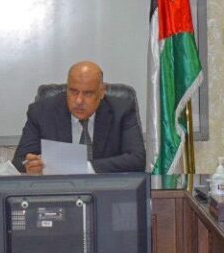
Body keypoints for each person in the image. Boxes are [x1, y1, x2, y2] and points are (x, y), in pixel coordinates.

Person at [11, 61, 146, 174]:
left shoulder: (121, 111)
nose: (79, 101)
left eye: (88, 93)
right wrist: (31, 166)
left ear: (101, 92)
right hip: (59, 192)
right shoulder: (42, 112)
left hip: (106, 191)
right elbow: (18, 162)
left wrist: (84, 168)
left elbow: (137, 160)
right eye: (73, 91)